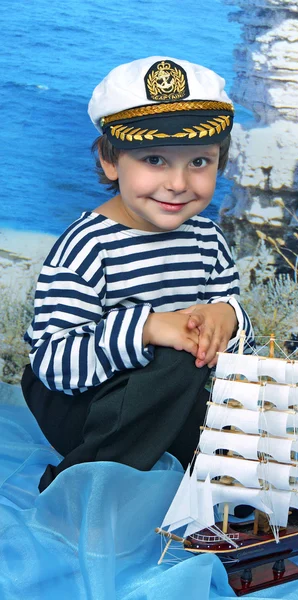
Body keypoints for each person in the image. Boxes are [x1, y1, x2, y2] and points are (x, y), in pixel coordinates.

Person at [21, 56, 254, 492]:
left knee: (253, 364)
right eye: (155, 159)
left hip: (167, 399)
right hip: (83, 402)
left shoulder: (208, 239)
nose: (179, 183)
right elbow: (52, 366)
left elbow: (229, 336)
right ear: (111, 161)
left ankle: (204, 468)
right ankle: (80, 484)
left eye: (199, 162)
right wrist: (146, 329)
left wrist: (228, 317)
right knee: (174, 365)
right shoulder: (88, 246)